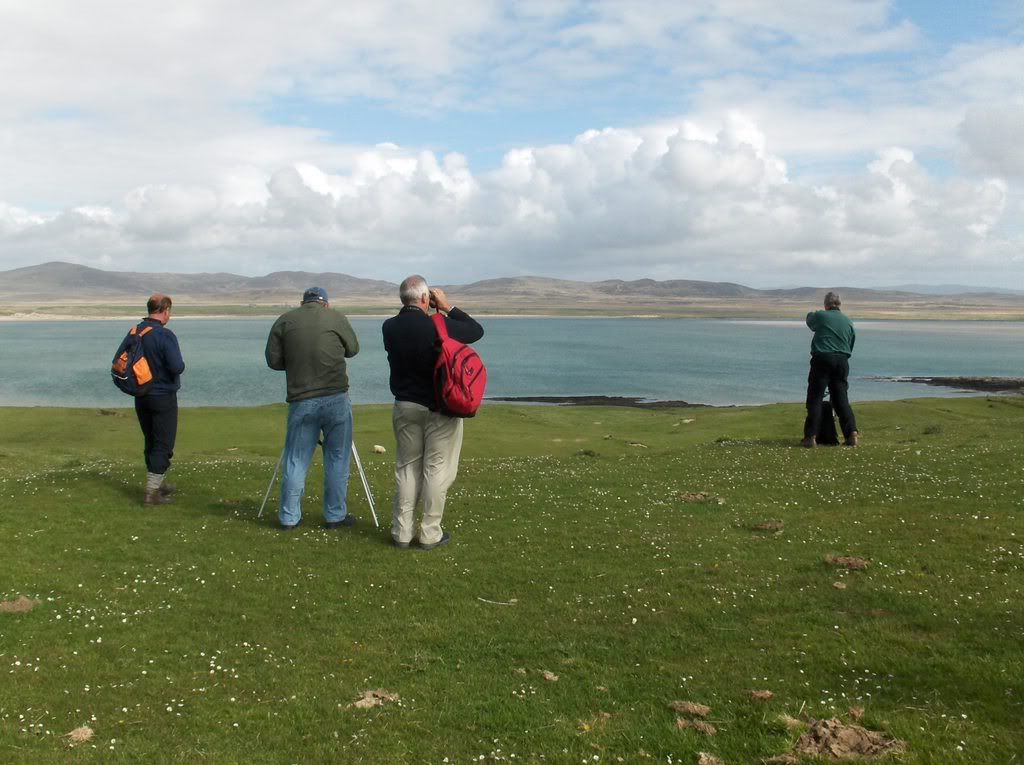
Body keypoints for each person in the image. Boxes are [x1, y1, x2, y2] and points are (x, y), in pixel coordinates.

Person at [382, 275, 484, 550]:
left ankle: (401, 532)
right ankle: (429, 533)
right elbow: (475, 330)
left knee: (407, 468)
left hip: (405, 405)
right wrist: (448, 307)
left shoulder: (389, 327)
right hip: (440, 407)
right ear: (426, 298)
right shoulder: (438, 326)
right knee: (436, 469)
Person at [265, 287, 360, 530]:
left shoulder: (285, 320)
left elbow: (273, 361)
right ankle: (335, 516)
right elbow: (353, 349)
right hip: (336, 397)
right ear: (325, 304)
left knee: (296, 458)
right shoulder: (336, 317)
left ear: (302, 302)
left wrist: (296, 362)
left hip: (302, 399)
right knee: (338, 457)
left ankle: (289, 517)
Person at [118, 293, 186, 505]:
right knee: (163, 444)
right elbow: (177, 366)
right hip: (163, 396)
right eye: (169, 311)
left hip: (141, 396)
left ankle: (157, 485)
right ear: (165, 310)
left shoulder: (135, 331)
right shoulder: (165, 336)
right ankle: (152, 493)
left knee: (151, 440)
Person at [802, 291, 859, 448]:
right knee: (841, 399)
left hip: (822, 359)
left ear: (826, 305)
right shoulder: (848, 321)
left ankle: (811, 436)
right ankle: (852, 434)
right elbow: (850, 344)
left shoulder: (821, 316)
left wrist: (815, 313)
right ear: (839, 304)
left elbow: (809, 320)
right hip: (842, 360)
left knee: (815, 397)